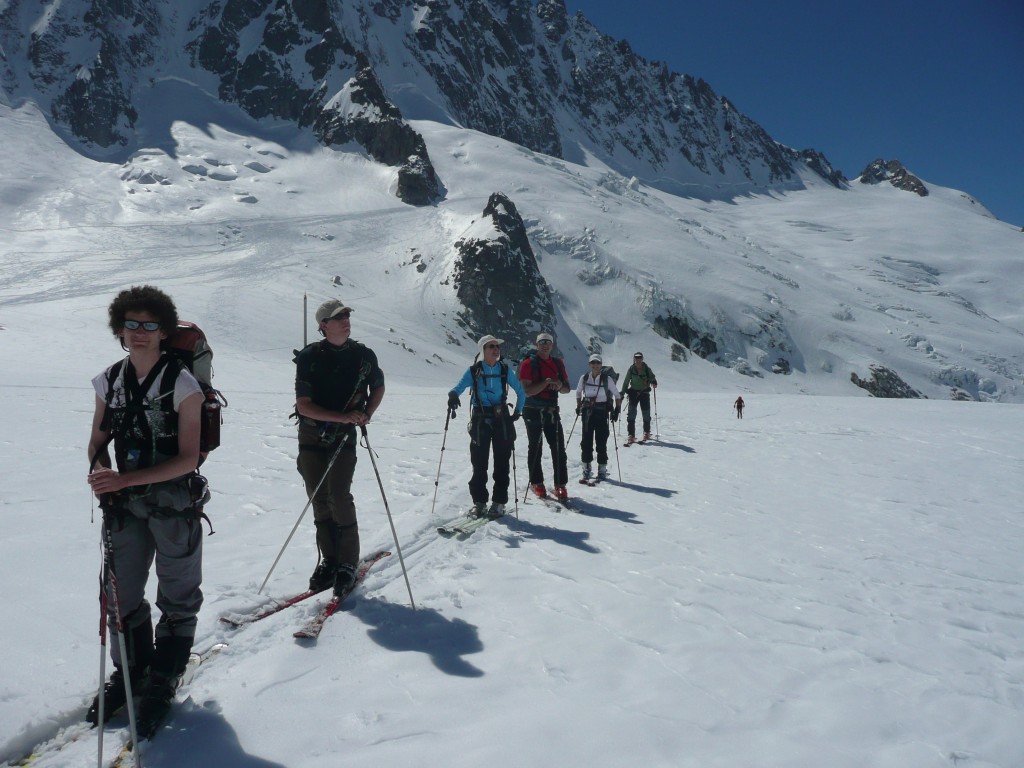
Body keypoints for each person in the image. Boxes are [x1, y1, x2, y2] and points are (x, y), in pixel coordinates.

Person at [86, 286, 208, 737]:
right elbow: (97, 443)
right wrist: (101, 472)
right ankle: (131, 671)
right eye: (131, 324)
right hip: (124, 504)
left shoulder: (182, 383)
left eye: (149, 325)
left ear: (163, 331)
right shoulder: (109, 380)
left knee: (177, 595)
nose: (139, 333)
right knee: (120, 594)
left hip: (174, 502)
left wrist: (121, 480)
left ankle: (164, 676)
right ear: (119, 328)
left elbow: (189, 457)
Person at [294, 300, 385, 597]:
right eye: (338, 317)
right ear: (323, 325)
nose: (345, 320)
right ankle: (330, 560)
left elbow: (379, 386)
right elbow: (304, 405)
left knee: (339, 496)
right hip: (311, 434)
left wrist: (366, 413)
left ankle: (346, 563)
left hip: (342, 437)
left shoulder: (363, 355)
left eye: (346, 316)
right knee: (319, 498)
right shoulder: (310, 357)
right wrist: (344, 416)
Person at [447, 335, 526, 517]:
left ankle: (498, 503)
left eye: (497, 346)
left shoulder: (505, 370)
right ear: (483, 350)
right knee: (479, 463)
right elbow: (458, 388)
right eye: (492, 346)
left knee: (501, 464)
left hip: (501, 420)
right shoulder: (473, 371)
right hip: (480, 420)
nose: (496, 349)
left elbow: (521, 391)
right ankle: (480, 502)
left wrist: (517, 412)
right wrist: (452, 395)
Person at [518, 332, 571, 499]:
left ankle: (560, 484)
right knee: (535, 446)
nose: (545, 345)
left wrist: (559, 384)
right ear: (537, 344)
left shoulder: (558, 363)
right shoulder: (527, 364)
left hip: (551, 410)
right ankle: (536, 482)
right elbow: (527, 390)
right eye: (542, 342)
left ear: (552, 345)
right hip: (532, 410)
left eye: (548, 342)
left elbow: (567, 389)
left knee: (558, 447)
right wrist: (547, 383)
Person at [575, 354, 621, 480]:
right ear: (589, 364)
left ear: (601, 365)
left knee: (601, 441)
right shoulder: (584, 378)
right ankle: (587, 468)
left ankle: (602, 469)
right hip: (588, 413)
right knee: (586, 442)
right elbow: (578, 391)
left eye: (598, 363)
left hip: (601, 413)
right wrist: (579, 405)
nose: (595, 365)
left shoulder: (607, 379)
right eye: (593, 363)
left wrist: (617, 409)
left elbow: (617, 395)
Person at [622, 352, 657, 444]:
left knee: (646, 413)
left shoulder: (646, 369)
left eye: (639, 357)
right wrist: (622, 393)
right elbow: (626, 381)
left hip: (644, 393)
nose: (638, 359)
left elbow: (652, 377)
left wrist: (654, 381)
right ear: (634, 359)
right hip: (634, 393)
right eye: (636, 358)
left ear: (642, 358)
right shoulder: (631, 369)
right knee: (631, 414)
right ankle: (631, 435)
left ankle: (646, 432)